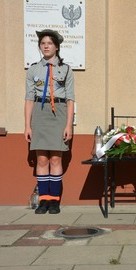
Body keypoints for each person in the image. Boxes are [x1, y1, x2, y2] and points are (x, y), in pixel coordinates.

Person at [24, 29, 75, 214]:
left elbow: (70, 99)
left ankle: (54, 200)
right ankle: (43, 200)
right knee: (42, 158)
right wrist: (27, 125)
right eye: (43, 43)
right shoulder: (33, 70)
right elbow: (29, 98)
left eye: (50, 43)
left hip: (59, 113)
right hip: (40, 112)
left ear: (57, 47)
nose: (46, 46)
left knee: (56, 157)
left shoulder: (66, 69)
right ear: (40, 46)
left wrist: (69, 125)